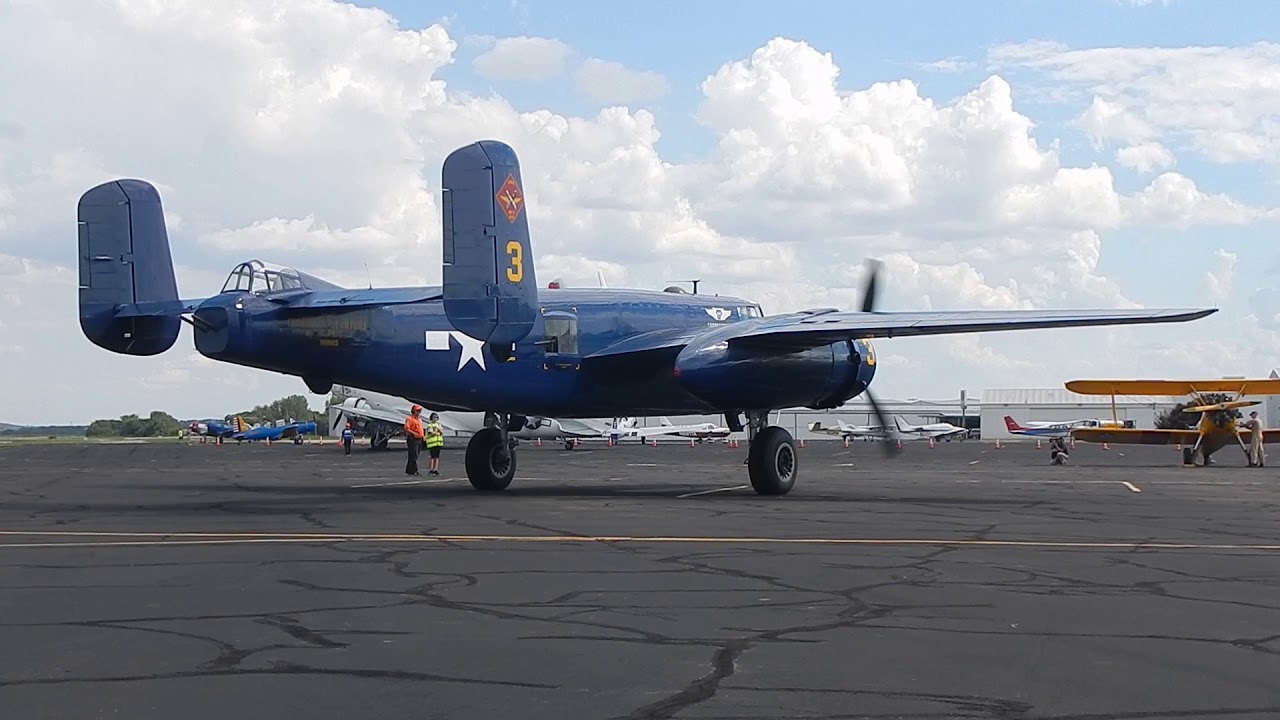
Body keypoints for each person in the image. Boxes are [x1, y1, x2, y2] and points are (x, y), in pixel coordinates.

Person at [404, 404, 425, 475]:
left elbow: (421, 428)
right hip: (412, 439)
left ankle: (409, 470)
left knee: (415, 455)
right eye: (417, 411)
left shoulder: (419, 419)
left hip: (419, 439)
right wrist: (414, 433)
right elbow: (407, 428)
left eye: (420, 411)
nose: (419, 412)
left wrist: (423, 436)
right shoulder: (409, 419)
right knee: (413, 454)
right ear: (413, 411)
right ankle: (415, 470)